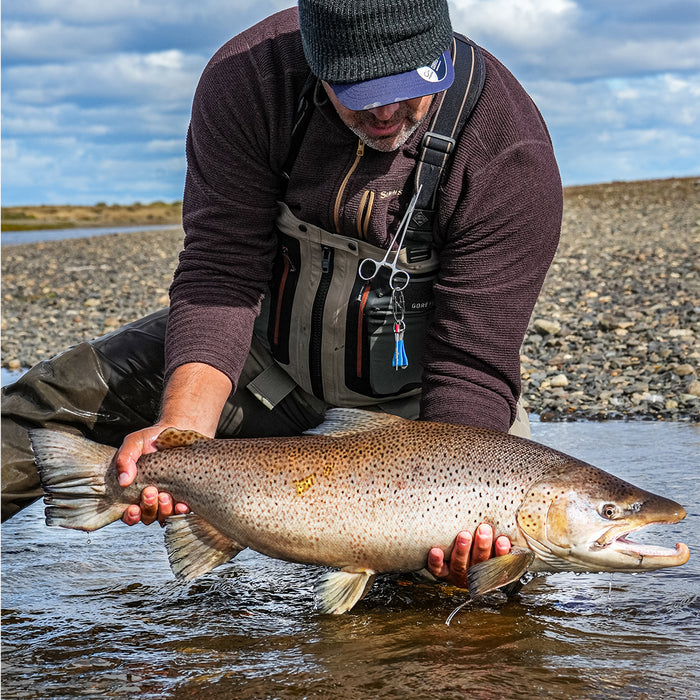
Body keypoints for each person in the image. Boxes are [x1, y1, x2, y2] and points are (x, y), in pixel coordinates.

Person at [1, 0, 562, 589]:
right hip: (260, 363)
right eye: (357, 89)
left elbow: (471, 369)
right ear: (313, 55)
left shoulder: (505, 149)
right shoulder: (250, 81)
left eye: (405, 84)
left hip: (420, 415)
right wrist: (181, 435)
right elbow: (220, 271)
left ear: (439, 45)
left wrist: (460, 528)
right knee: (43, 404)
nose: (385, 111)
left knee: (471, 598)